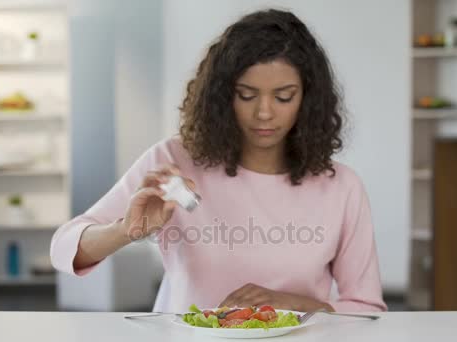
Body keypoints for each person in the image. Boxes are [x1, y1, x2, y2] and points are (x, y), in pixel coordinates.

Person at [51, 8, 387, 313]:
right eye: (246, 95)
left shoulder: (341, 187)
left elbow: (366, 307)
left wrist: (288, 303)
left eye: (284, 97)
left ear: (308, 98)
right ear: (223, 95)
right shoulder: (174, 163)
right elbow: (64, 248)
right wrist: (125, 230)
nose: (264, 112)